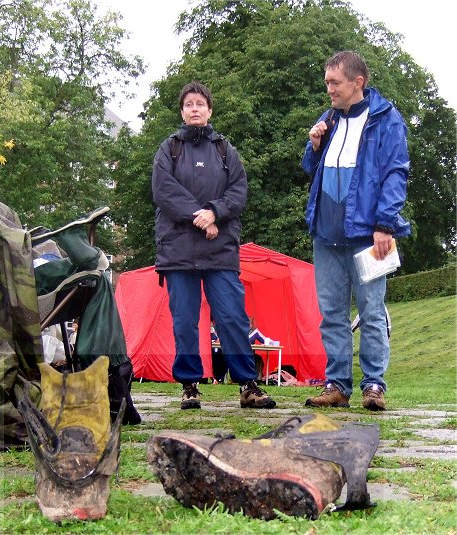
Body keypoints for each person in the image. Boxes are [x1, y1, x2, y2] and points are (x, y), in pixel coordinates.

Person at [152, 80, 275, 410]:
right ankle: (190, 385)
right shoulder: (169, 149)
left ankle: (247, 384)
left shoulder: (225, 150)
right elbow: (163, 191)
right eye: (189, 104)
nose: (195, 109)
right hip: (178, 250)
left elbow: (239, 190)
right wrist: (201, 217)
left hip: (219, 248)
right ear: (182, 111)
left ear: (209, 110)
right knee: (184, 320)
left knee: (232, 317)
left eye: (200, 104)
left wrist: (215, 213)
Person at [301, 51, 410, 411]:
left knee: (372, 311)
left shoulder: (386, 118)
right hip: (325, 234)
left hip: (368, 235)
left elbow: (395, 173)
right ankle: (337, 385)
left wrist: (385, 224)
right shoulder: (329, 118)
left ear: (357, 82)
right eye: (327, 82)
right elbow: (310, 168)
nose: (329, 89)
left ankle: (374, 385)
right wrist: (314, 145)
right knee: (331, 314)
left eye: (335, 82)